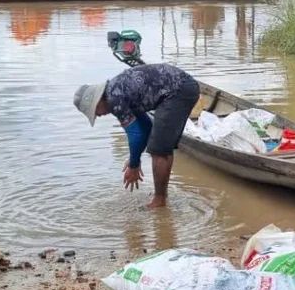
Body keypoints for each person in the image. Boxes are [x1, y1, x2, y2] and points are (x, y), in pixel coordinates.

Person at [73, 63, 200, 209]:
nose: (99, 115)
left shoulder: (115, 100)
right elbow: (145, 128)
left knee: (159, 150)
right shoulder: (117, 91)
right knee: (157, 144)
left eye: (96, 112)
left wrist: (134, 164)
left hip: (178, 91)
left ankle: (160, 201)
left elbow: (136, 135)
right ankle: (161, 199)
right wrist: (135, 158)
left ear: (97, 101)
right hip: (181, 88)